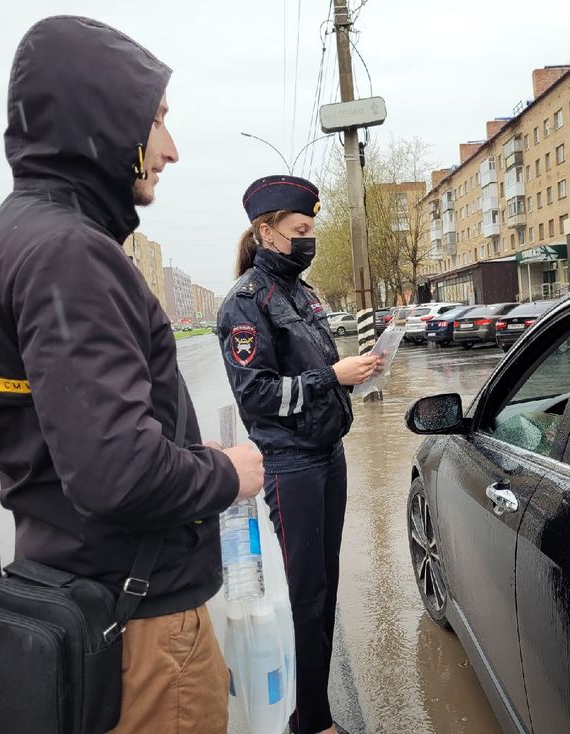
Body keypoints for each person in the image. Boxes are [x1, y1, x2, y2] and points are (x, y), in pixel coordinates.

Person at [0, 16, 263, 734]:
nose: (172, 148)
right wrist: (228, 473)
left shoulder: (20, 234)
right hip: (139, 628)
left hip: (84, 596)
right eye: (156, 118)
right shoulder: (70, 252)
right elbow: (116, 472)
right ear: (101, 115)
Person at [217, 175, 381, 734]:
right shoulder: (244, 303)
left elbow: (312, 374)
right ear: (267, 231)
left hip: (328, 455)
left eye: (312, 229)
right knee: (309, 598)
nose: (309, 239)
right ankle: (312, 722)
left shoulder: (304, 294)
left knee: (325, 590)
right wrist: (330, 376)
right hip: (292, 465)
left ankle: (313, 712)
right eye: (300, 230)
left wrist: (352, 376)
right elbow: (257, 394)